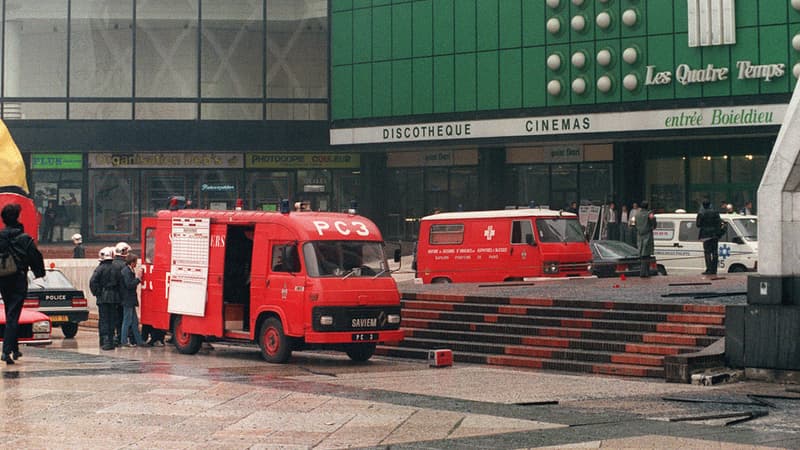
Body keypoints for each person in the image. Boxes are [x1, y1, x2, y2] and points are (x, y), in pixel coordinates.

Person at [0, 203, 45, 364]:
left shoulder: (1, 236)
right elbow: (35, 257)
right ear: (17, 218)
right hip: (18, 279)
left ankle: (15, 349)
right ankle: (6, 351)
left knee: (12, 312)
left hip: (3, 278)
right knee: (13, 314)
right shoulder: (24, 238)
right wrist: (40, 273)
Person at [89, 247, 118, 350]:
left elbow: (92, 282)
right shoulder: (115, 268)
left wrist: (97, 293)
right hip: (114, 297)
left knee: (104, 319)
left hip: (103, 297)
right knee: (112, 319)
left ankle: (104, 340)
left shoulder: (99, 268)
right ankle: (111, 340)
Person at [120, 253, 145, 347]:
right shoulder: (126, 271)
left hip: (130, 299)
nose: (136, 264)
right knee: (127, 320)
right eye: (136, 262)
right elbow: (129, 284)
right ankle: (124, 341)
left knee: (134, 321)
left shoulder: (128, 270)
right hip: (128, 299)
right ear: (132, 262)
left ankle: (139, 341)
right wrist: (138, 279)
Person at [111, 242, 131, 347]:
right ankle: (121, 337)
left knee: (114, 318)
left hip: (113, 296)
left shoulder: (112, 264)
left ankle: (114, 338)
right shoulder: (125, 265)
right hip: (122, 296)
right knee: (123, 318)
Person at [696, 199, 722, 275]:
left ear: (703, 205)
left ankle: (709, 269)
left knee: (707, 252)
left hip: (705, 235)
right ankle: (714, 269)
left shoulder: (701, 213)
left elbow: (698, 225)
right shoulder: (715, 212)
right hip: (714, 234)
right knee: (715, 252)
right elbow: (719, 223)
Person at [633, 200, 656, 278]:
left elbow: (634, 224)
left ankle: (644, 272)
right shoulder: (649, 214)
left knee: (642, 255)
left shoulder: (637, 214)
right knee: (647, 255)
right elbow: (653, 222)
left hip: (639, 236)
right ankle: (644, 272)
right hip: (647, 235)